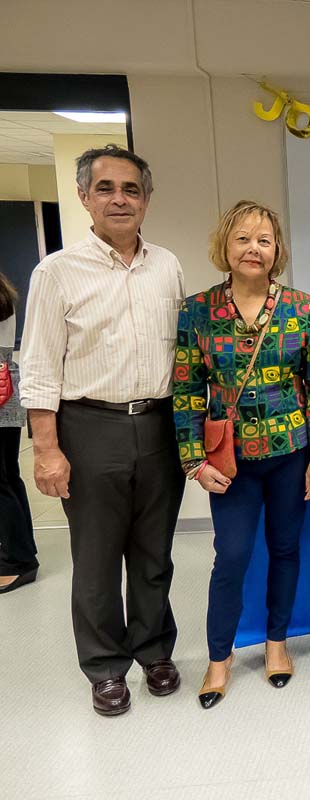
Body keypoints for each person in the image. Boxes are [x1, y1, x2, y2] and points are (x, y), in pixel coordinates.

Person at [20, 145, 185, 716]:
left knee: (153, 553)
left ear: (146, 199)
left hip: (159, 423)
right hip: (89, 425)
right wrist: (47, 449)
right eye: (107, 188)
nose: (120, 199)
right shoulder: (57, 272)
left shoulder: (167, 265)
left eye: (132, 189)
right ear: (86, 197)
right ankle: (105, 665)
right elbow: (38, 364)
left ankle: (154, 649)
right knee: (95, 556)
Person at [174, 201, 310, 707]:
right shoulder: (197, 310)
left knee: (286, 550)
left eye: (264, 240)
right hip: (229, 462)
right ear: (225, 246)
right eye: (243, 238)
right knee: (233, 557)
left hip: (290, 452)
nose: (253, 248)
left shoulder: (299, 307)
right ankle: (219, 658)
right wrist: (193, 462)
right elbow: (185, 392)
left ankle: (276, 645)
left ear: (277, 250)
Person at [0, 271, 35, 594]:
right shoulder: (4, 293)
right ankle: (22, 555)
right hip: (6, 386)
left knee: (2, 481)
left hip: (1, 389)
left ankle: (15, 562)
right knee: (8, 476)